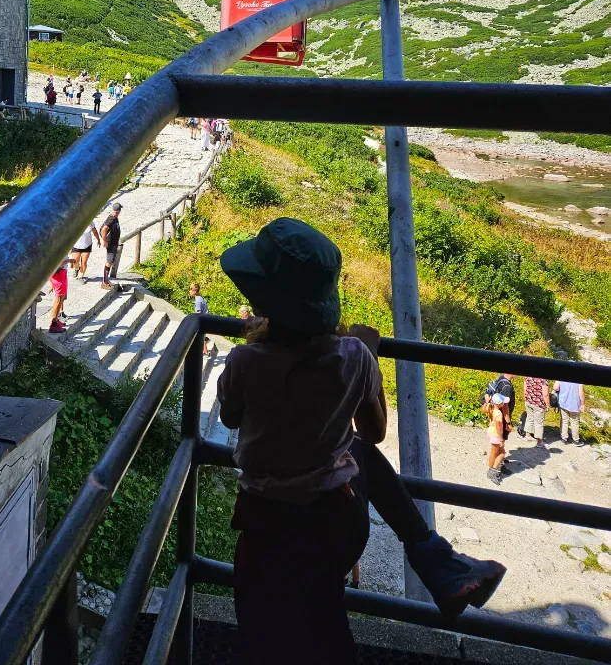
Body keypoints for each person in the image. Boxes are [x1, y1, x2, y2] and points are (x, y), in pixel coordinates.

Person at [216, 218, 506, 665]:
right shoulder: (353, 357)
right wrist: (368, 357)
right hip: (334, 522)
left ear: (262, 299)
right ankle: (437, 561)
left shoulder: (244, 361)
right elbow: (373, 433)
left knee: (261, 634)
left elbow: (231, 415)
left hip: (266, 524)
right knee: (326, 619)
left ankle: (437, 563)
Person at [553, 368, 585, 446]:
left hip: (563, 402)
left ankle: (564, 438)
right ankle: (576, 440)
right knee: (574, 422)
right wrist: (583, 404)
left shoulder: (561, 376)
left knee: (564, 420)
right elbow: (581, 393)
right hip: (574, 404)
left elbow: (555, 388)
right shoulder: (579, 378)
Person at [486, 393, 511, 485]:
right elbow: (498, 426)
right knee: (501, 453)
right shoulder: (499, 413)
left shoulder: (490, 407)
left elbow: (484, 409)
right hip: (496, 434)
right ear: (499, 403)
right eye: (503, 402)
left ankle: (491, 469)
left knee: (495, 453)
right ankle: (493, 470)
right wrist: (501, 439)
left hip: (490, 432)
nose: (504, 404)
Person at [522, 372, 549, 447]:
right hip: (539, 403)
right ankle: (539, 442)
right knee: (539, 423)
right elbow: (545, 394)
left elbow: (525, 385)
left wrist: (525, 395)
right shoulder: (544, 379)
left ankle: (527, 436)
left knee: (530, 418)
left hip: (529, 400)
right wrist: (547, 404)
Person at [100, 202, 122, 288]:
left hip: (113, 243)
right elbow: (104, 229)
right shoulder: (111, 219)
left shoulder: (113, 217)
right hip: (111, 243)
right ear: (119, 211)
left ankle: (106, 280)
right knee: (109, 261)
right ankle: (104, 282)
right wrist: (104, 240)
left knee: (110, 261)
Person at [190, 282, 210, 356]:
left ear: (194, 291)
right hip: (206, 318)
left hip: (203, 320)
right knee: (201, 336)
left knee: (200, 336)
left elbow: (199, 313)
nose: (189, 291)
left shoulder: (198, 301)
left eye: (190, 289)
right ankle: (205, 342)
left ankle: (206, 352)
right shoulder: (200, 298)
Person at [49, 261, 68, 333]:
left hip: (61, 273)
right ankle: (53, 324)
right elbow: (56, 264)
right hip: (59, 274)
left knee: (60, 300)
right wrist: (69, 261)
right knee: (59, 300)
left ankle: (56, 320)